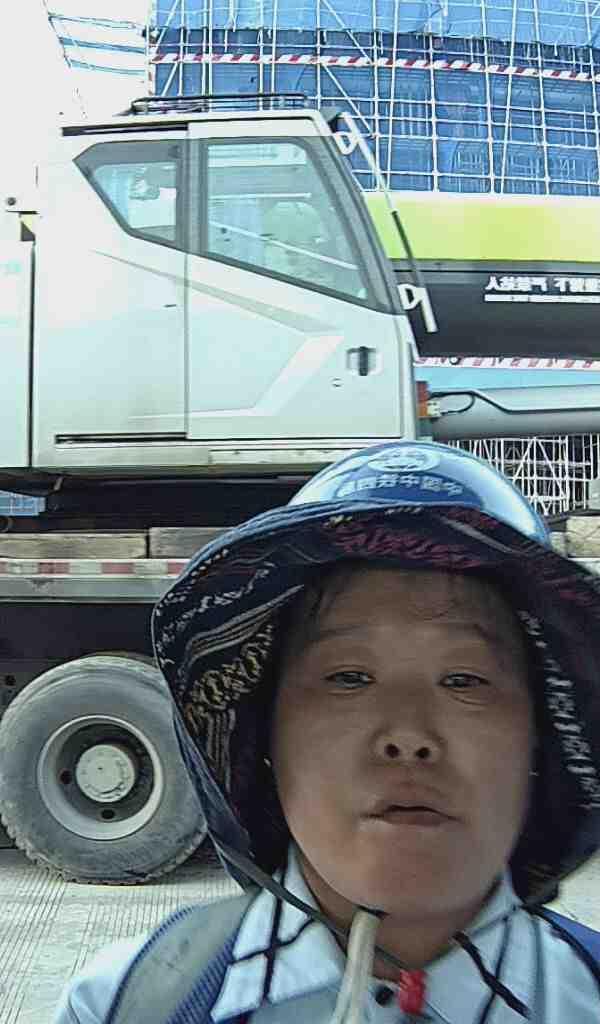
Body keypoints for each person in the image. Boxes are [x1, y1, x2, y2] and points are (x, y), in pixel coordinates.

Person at [54, 440, 600, 1024]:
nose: (408, 735)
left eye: (463, 680)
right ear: (264, 735)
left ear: (541, 736)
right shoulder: (123, 1003)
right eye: (349, 678)